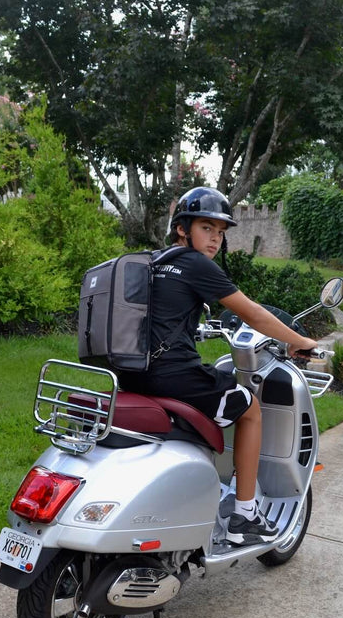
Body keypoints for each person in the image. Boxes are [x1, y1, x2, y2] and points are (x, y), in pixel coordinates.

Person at [119, 186, 319, 546]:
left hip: (134, 373)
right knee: (250, 407)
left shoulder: (155, 261)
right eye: (206, 228)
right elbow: (251, 312)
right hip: (173, 377)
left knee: (219, 385)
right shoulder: (195, 264)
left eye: (220, 232)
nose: (214, 239)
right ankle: (245, 515)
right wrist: (300, 341)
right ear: (183, 228)